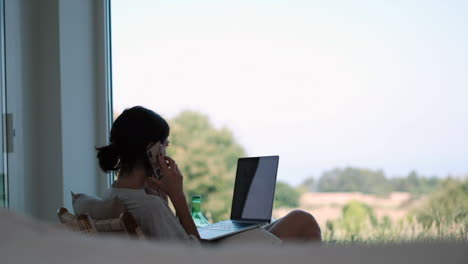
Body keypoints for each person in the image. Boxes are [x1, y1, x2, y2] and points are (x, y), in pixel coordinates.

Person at [98, 106, 321, 244]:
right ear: (151, 150)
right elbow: (193, 254)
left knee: (262, 227)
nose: (166, 153)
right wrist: (178, 197)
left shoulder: (113, 195)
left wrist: (164, 200)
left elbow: (177, 240)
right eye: (164, 146)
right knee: (303, 220)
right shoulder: (148, 206)